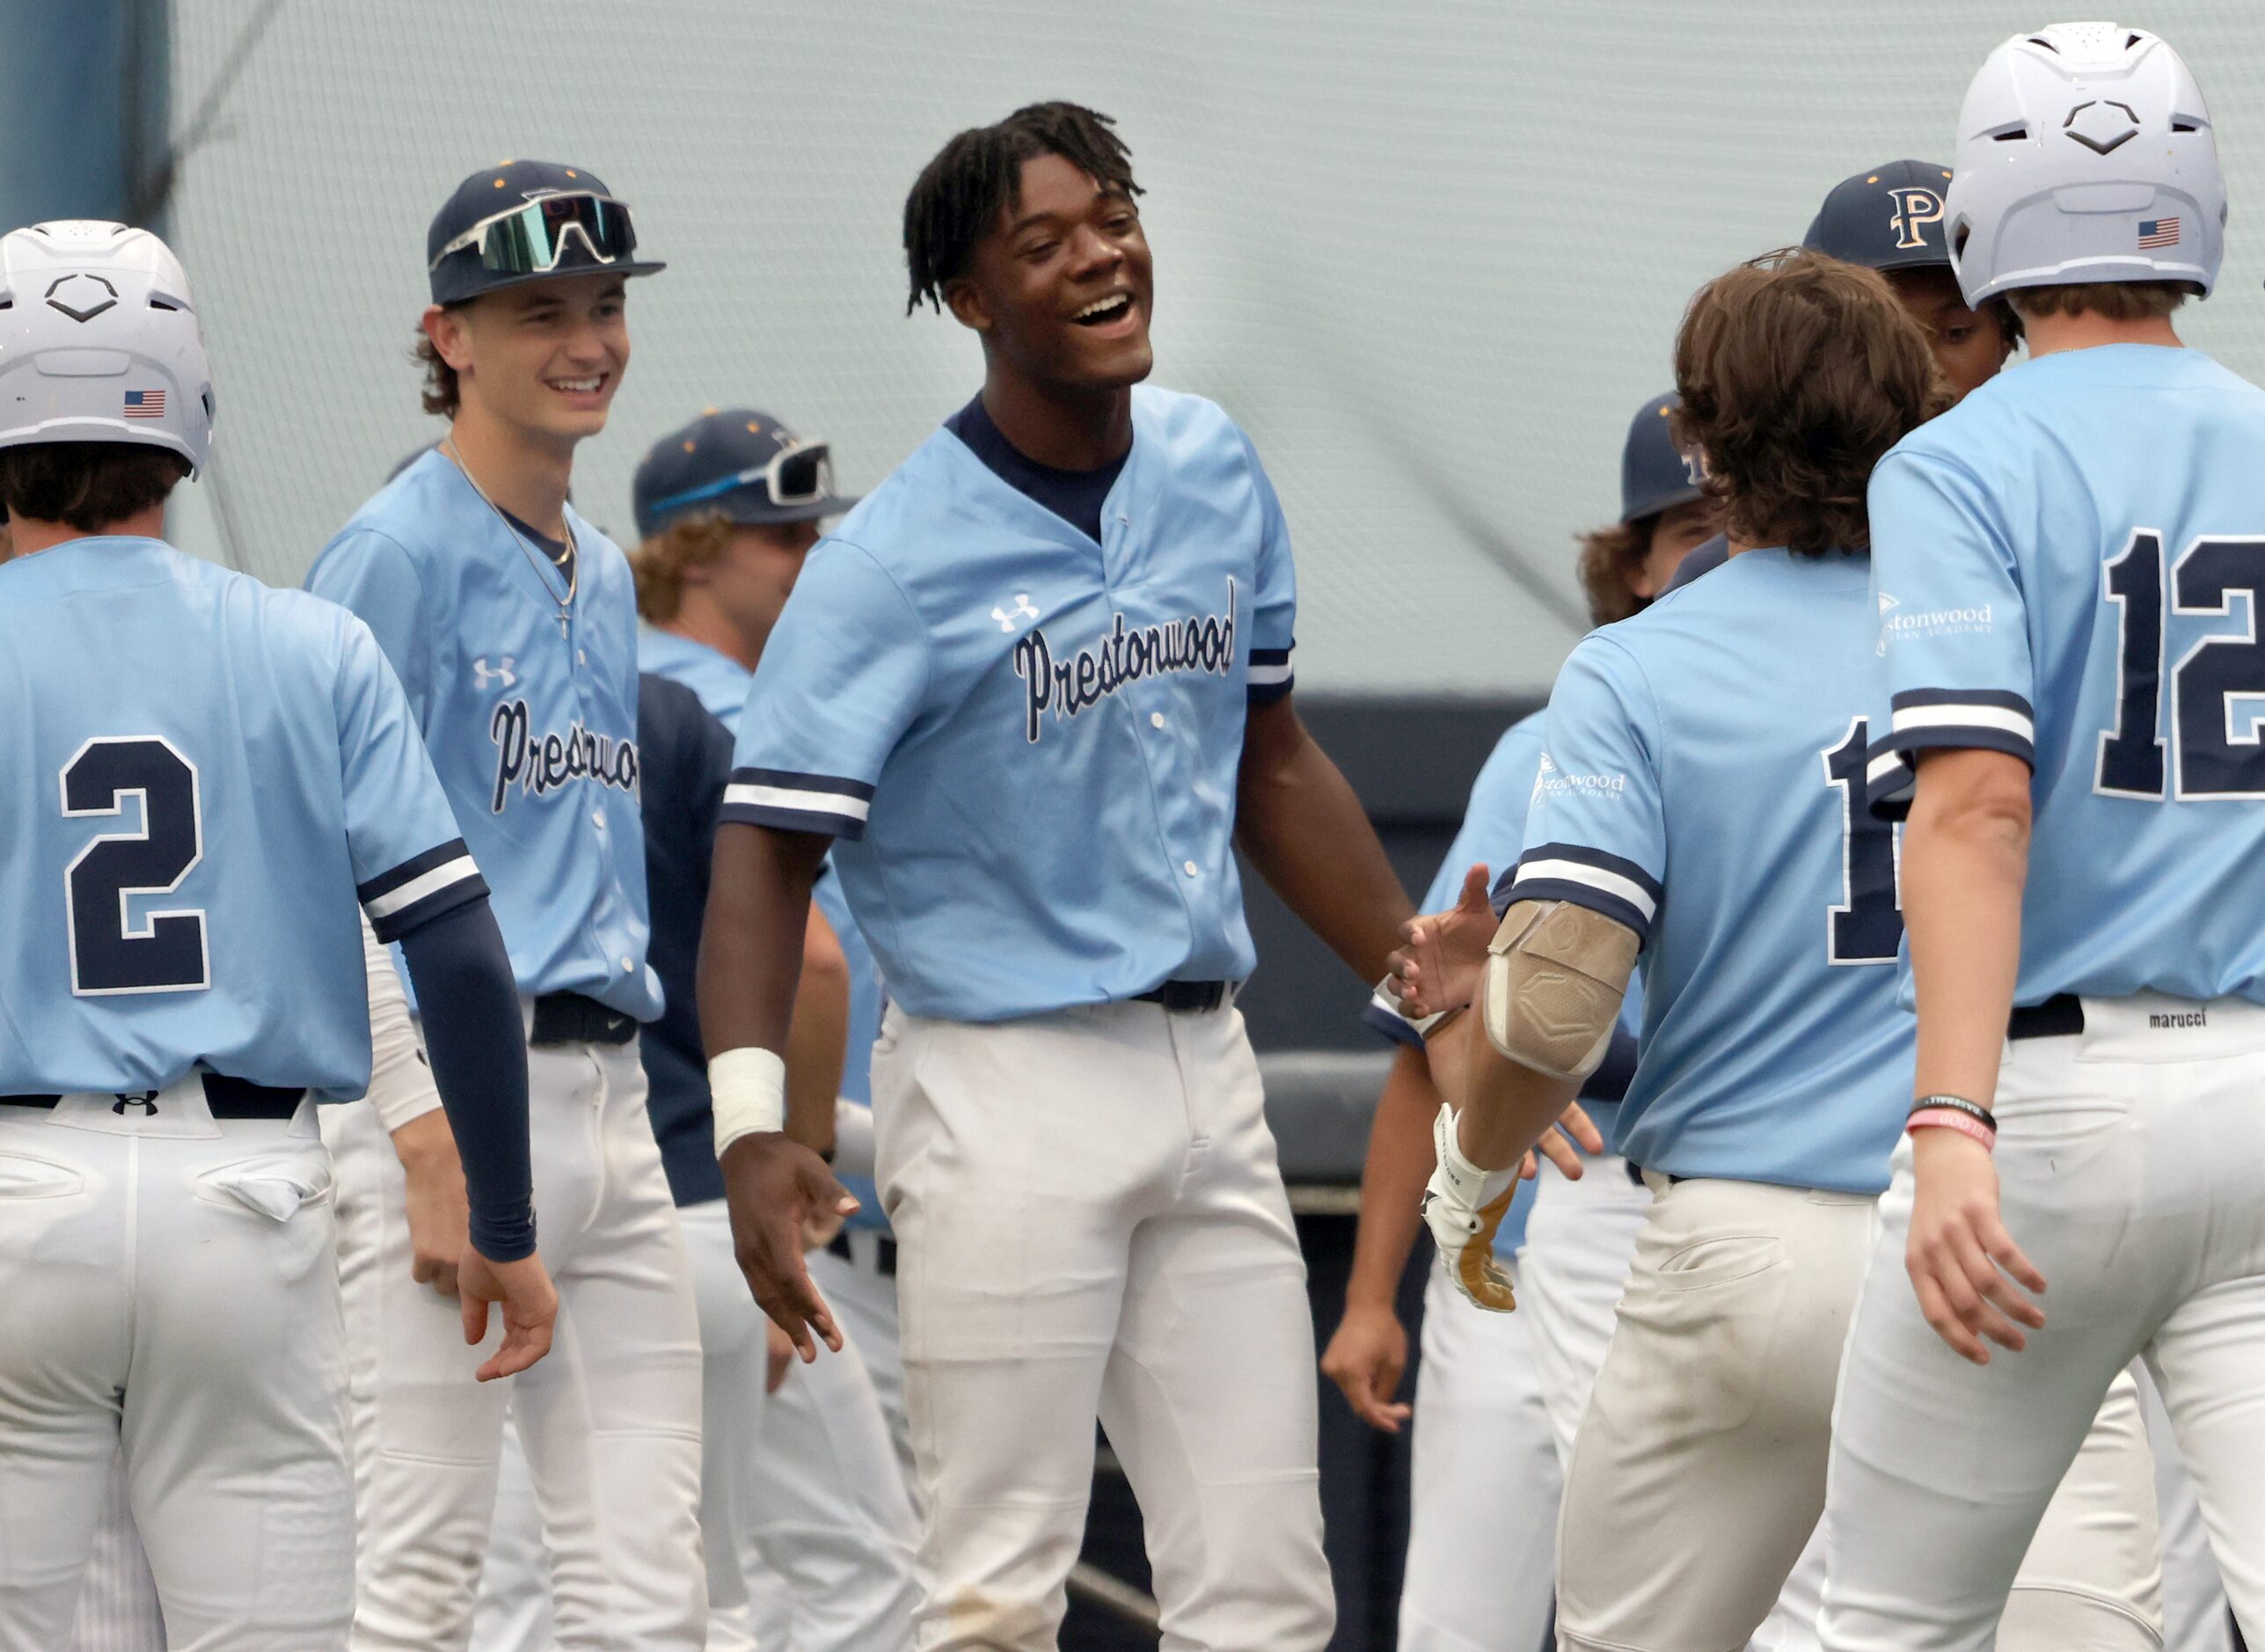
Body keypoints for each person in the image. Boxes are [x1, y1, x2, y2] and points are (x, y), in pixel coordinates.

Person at [697, 101, 1415, 1648]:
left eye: (1112, 217)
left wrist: (1419, 970)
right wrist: (756, 1128)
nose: (1100, 257)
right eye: (1043, 242)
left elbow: (1271, 761)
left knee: (1269, 1586)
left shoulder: (1213, 464)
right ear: (969, 298)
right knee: (993, 1592)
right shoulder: (886, 561)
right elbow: (763, 852)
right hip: (1000, 1080)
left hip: (1204, 1065)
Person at [1394, 248, 2162, 1651]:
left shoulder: (1637, 664)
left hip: (1741, 1251)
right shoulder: (2042, 626)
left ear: (1708, 442)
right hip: (2000, 1226)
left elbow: (1557, 1001)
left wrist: (1475, 1170)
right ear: (1915, 411)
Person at [0, 219, 553, 1651]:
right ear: (184, 407)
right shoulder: (312, 642)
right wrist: (501, 1215)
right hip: (248, 1188)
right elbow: (461, 949)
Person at [1823, 23, 2265, 1646]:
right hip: (2262, 1092)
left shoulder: (1955, 460)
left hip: (2053, 1111)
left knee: (1889, 1620)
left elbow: (1979, 799)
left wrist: (1952, 1116)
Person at [302, 160, 706, 1649]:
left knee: (649, 1588)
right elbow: (323, 867)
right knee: (411, 1581)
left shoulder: (603, 574)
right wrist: (420, 1131)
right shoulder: (390, 553)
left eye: (604, 305)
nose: (587, 338)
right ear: (449, 335)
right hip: (451, 1088)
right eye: (540, 309)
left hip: (608, 1098)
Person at [1321, 389, 1712, 1652]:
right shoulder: (1548, 746)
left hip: (1710, 1201)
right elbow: (1424, 1039)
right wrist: (1372, 1291)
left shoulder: (1812, 714)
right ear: (1633, 560)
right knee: (1463, 1620)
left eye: (1730, 516)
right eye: (1679, 523)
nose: (1705, 547)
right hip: (1526, 1224)